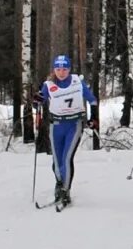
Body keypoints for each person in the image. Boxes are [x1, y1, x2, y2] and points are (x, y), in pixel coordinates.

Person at [37, 54, 98, 205]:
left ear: (69, 69)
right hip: (56, 126)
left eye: (64, 69)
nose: (61, 72)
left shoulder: (78, 82)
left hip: (74, 125)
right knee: (57, 161)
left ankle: (65, 190)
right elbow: (40, 100)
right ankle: (60, 185)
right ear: (54, 70)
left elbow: (92, 100)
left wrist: (93, 118)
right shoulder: (48, 84)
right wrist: (36, 100)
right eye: (58, 69)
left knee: (66, 158)